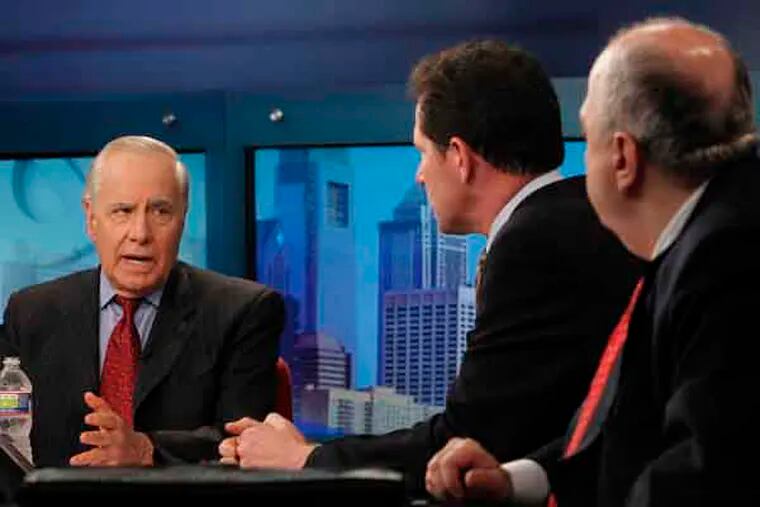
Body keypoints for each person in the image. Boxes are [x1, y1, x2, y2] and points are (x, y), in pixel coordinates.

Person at [219, 40, 640, 493]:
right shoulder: (579, 217)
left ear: (459, 157)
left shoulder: (533, 244)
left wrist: (306, 459)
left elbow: (469, 440)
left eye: (422, 152)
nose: (419, 174)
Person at [425, 17, 760, 506]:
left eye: (587, 138)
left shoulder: (725, 255)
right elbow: (632, 432)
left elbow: (705, 473)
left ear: (622, 157)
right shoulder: (696, 241)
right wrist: (515, 481)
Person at [0, 135, 284, 467]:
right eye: (123, 211)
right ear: (91, 218)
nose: (140, 233)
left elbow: (244, 444)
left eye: (160, 211)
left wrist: (146, 450)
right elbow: (6, 436)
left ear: (182, 219)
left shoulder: (243, 312)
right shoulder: (30, 313)